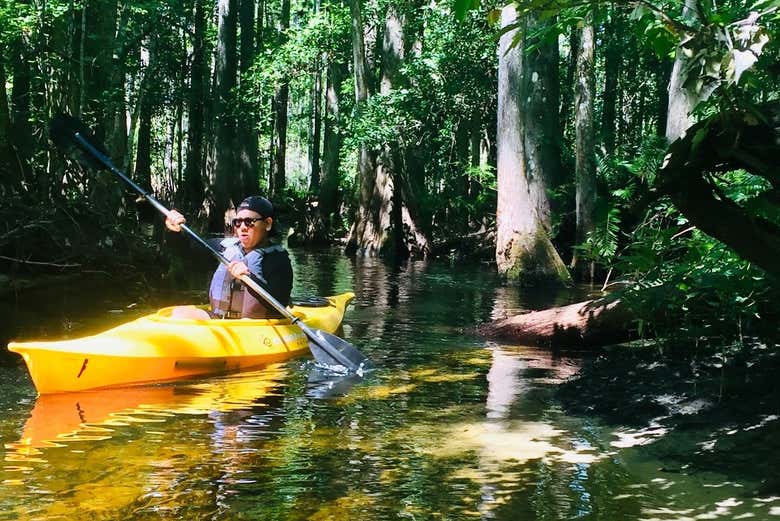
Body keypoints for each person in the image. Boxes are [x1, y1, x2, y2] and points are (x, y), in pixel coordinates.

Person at [164, 195, 293, 320]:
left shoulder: (278, 259)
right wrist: (175, 232)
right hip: (221, 320)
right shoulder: (223, 248)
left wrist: (250, 278)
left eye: (249, 222)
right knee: (178, 313)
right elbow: (187, 252)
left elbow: (280, 303)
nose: (242, 227)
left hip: (256, 326)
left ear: (268, 224)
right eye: (238, 222)